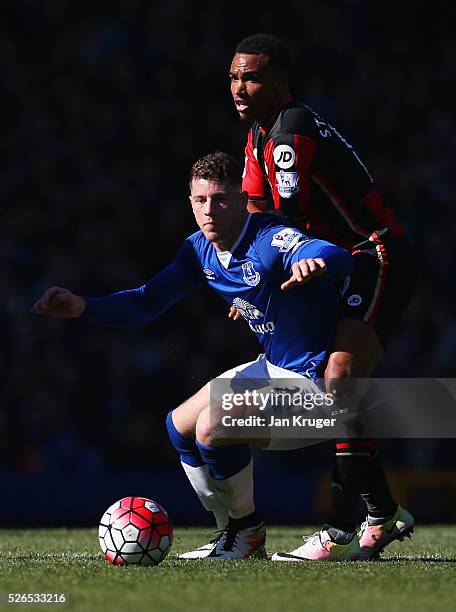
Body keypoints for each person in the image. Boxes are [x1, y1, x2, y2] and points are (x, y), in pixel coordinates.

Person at [32, 151, 354, 560]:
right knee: (178, 425)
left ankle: (246, 530)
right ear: (190, 202)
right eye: (200, 201)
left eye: (220, 199)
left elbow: (338, 256)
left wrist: (316, 262)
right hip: (273, 368)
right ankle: (232, 532)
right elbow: (147, 301)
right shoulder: (198, 250)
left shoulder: (269, 239)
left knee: (212, 426)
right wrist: (82, 306)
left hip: (317, 388)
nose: (209, 210)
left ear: (241, 200)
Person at [223, 33, 415, 561]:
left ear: (280, 81)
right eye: (235, 76)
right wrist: (248, 282)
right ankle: (382, 513)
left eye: (253, 77)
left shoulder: (290, 131)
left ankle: (340, 528)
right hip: (337, 262)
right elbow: (260, 220)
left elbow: (288, 220)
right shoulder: (259, 135)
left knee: (340, 382)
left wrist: (265, 278)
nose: (240, 87)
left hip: (373, 255)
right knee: (338, 391)